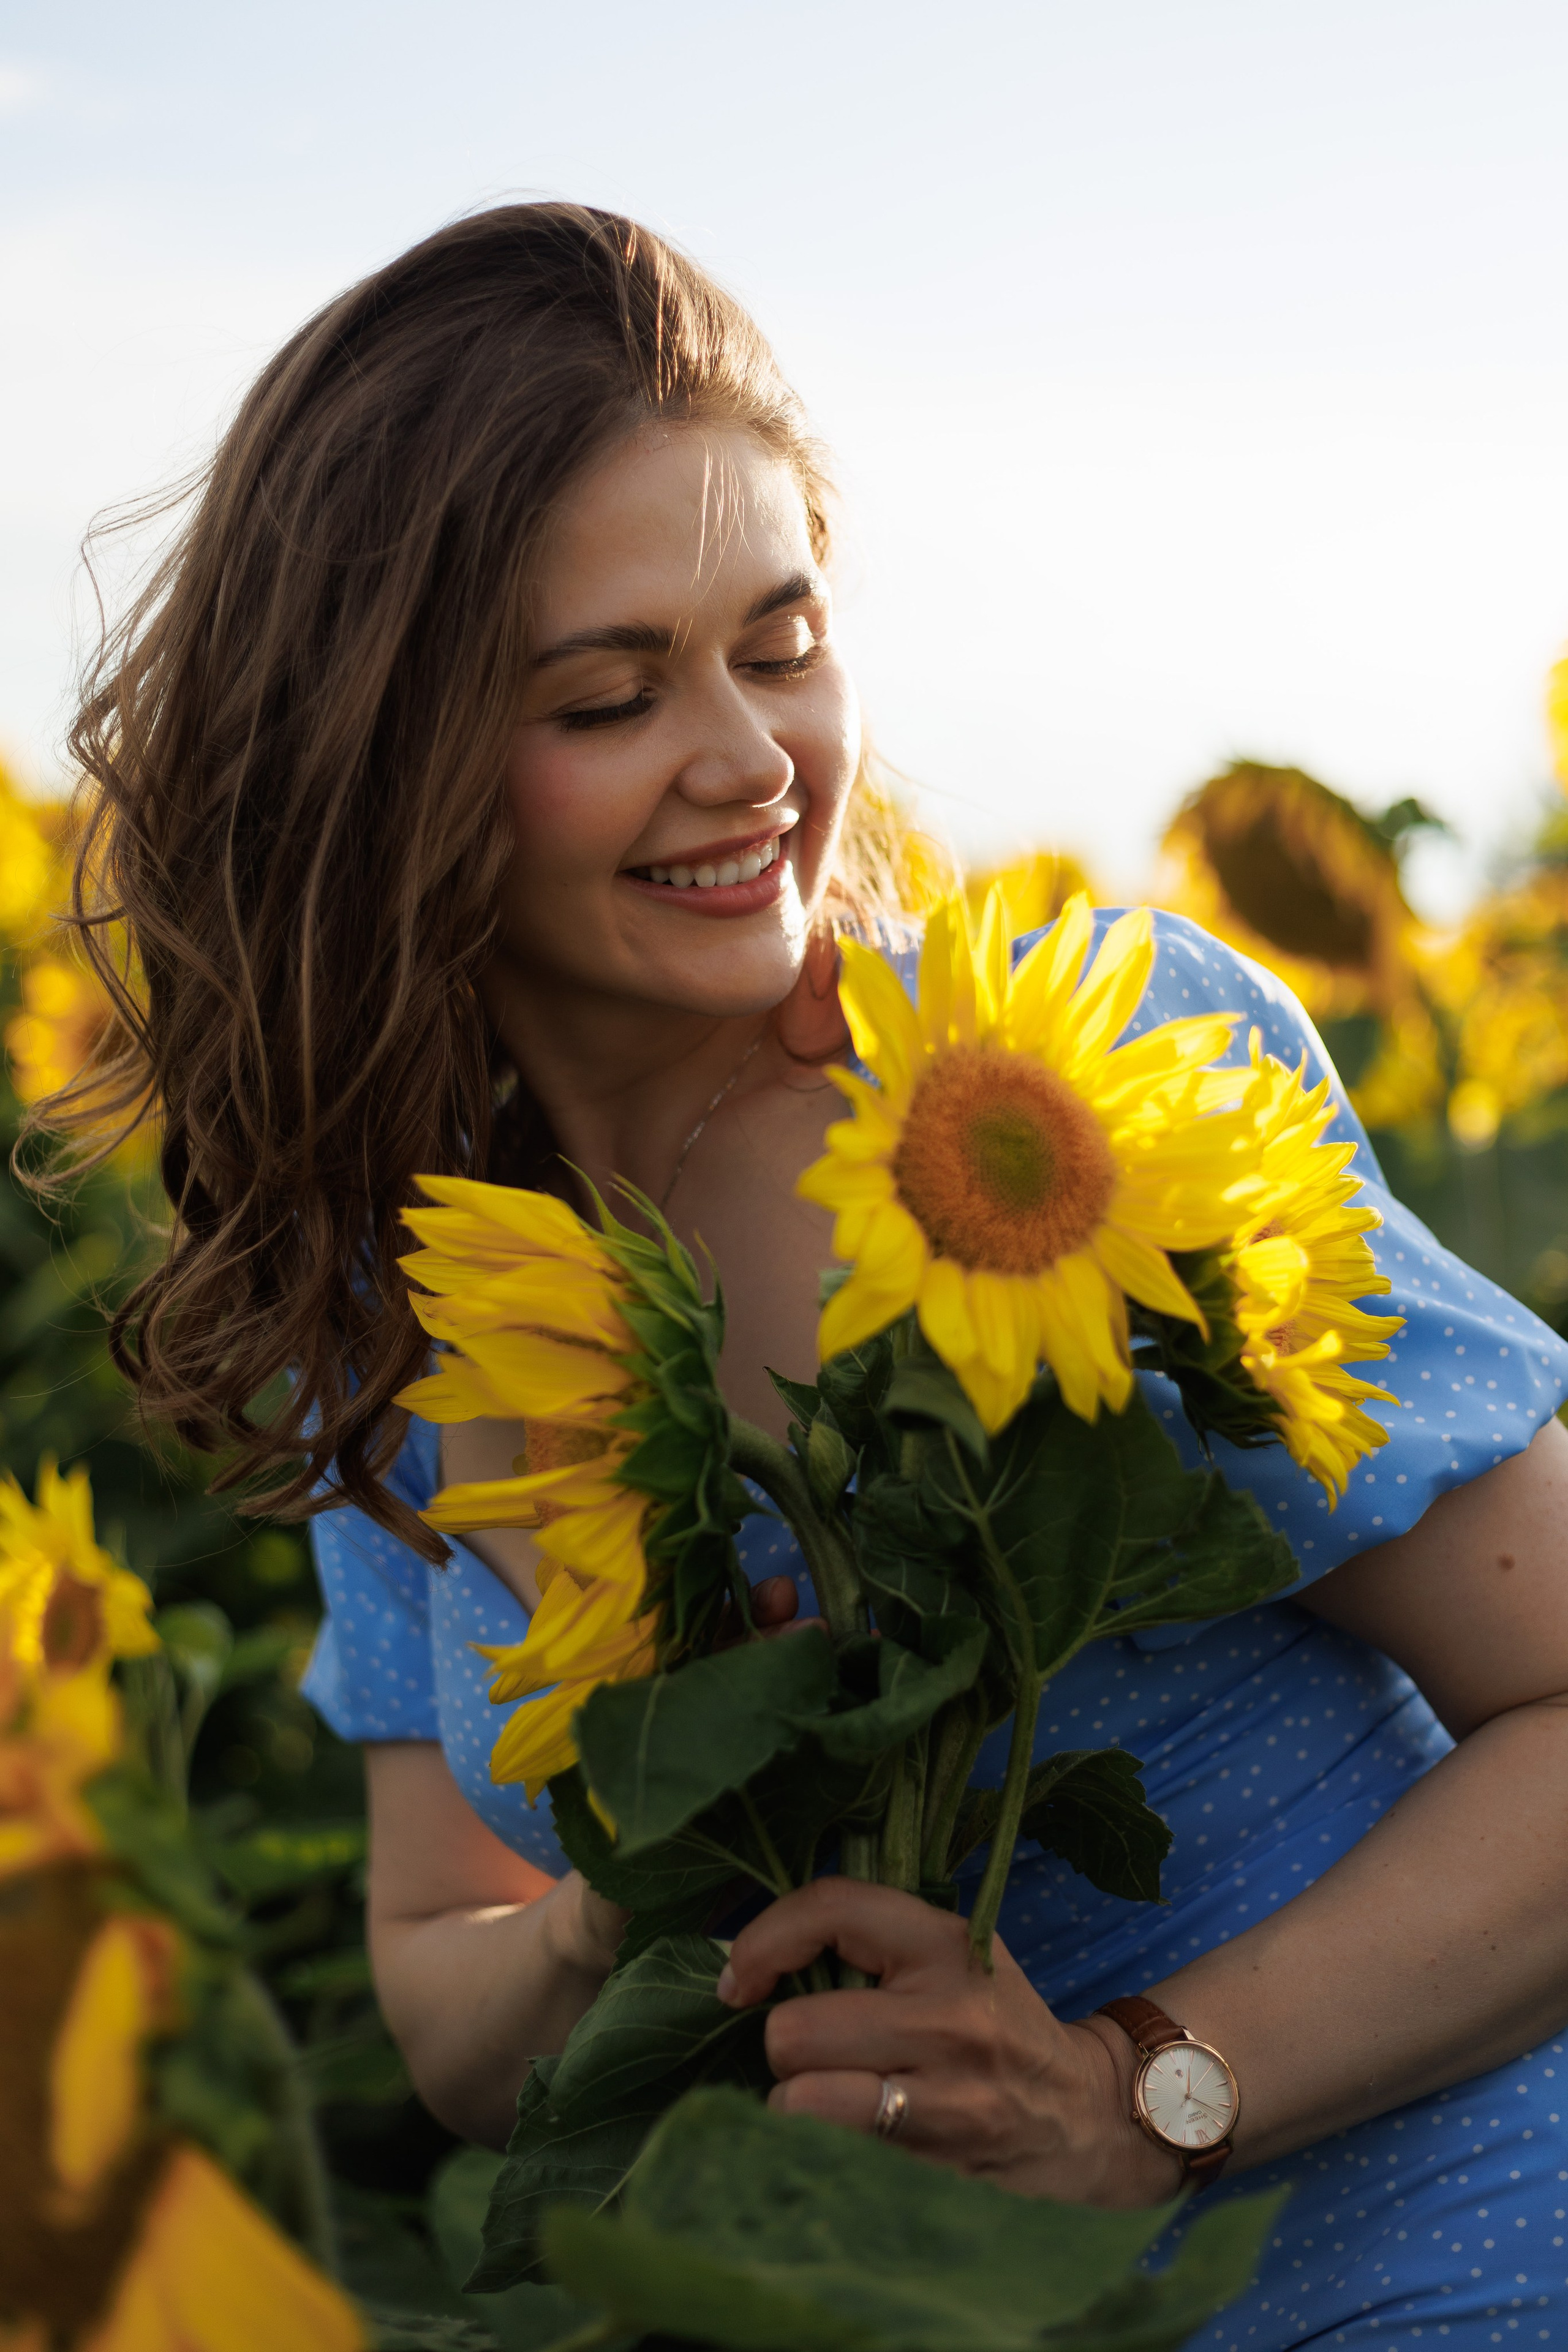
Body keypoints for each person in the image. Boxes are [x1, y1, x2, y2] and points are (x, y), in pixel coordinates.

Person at [45, 203, 1568, 2349]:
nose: (754, 762)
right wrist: (624, 1901)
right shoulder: (398, 1296)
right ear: (380, 775)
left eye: (781, 644)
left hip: (1452, 2261)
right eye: (612, 692)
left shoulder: (1058, 1099)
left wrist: (1148, 2090)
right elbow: (437, 1957)